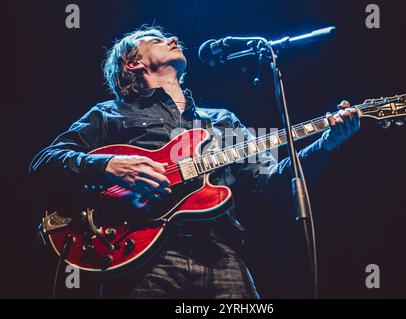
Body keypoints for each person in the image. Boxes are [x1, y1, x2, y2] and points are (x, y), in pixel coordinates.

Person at [30, 26, 360, 299]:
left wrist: (328, 142)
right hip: (143, 255)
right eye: (157, 40)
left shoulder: (221, 120)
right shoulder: (110, 113)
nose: (173, 40)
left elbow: (272, 180)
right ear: (133, 63)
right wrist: (110, 166)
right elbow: (44, 162)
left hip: (221, 254)